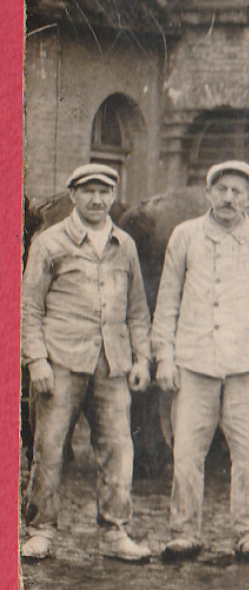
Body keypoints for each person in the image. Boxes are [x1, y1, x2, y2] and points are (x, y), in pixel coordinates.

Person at [150, 160, 249, 565]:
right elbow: (167, 302)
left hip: (248, 365)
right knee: (188, 451)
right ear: (208, 194)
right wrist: (165, 357)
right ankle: (185, 531)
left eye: (238, 191)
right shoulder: (186, 236)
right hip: (194, 362)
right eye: (222, 189)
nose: (229, 198)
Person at [20, 163, 154, 563]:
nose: (97, 200)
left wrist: (142, 357)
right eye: (88, 191)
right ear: (73, 196)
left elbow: (137, 310)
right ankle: (41, 528)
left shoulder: (124, 244)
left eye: (104, 192)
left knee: (117, 447)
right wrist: (37, 360)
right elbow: (28, 308)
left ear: (113, 197)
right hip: (60, 360)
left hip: (112, 363)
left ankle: (115, 531)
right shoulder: (49, 242)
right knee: (49, 446)